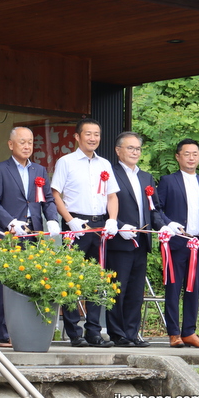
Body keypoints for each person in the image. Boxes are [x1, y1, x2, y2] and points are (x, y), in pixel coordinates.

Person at [0, 126, 60, 346]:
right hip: (10, 235)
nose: (27, 146)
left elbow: (47, 199)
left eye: (30, 142)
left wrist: (53, 219)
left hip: (34, 235)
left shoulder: (39, 170)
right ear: (11, 144)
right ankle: (5, 333)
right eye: (22, 142)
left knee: (33, 282)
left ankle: (28, 329)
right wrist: (10, 222)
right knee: (8, 285)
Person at [51, 118, 119, 348]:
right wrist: (69, 221)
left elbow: (112, 196)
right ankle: (74, 333)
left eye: (97, 134)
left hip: (99, 226)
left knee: (96, 281)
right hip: (76, 226)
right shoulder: (66, 162)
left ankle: (94, 332)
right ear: (77, 137)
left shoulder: (105, 164)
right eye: (88, 134)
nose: (93, 138)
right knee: (71, 280)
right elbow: (55, 194)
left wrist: (112, 219)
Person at [106, 131, 170, 347]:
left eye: (138, 149)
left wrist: (164, 226)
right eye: (130, 148)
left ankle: (132, 334)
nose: (135, 152)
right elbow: (102, 205)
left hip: (142, 241)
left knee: (135, 291)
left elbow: (155, 209)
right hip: (120, 240)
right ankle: (117, 333)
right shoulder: (110, 173)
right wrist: (120, 225)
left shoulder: (146, 177)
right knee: (118, 289)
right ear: (118, 150)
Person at [157, 138, 199, 349]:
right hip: (176, 243)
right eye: (186, 154)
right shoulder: (168, 181)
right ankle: (174, 333)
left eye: (195, 154)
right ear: (178, 156)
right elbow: (157, 210)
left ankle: (190, 332)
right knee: (173, 288)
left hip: (198, 244)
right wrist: (168, 224)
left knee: (193, 288)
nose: (191, 158)